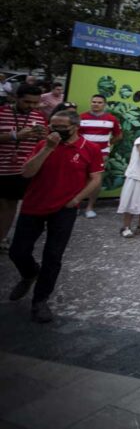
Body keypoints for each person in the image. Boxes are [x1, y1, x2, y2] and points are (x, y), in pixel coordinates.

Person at [8, 110, 103, 322]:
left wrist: (77, 199)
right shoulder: (43, 145)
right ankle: (30, 273)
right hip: (34, 205)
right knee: (18, 251)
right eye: (53, 126)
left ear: (75, 127)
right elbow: (27, 172)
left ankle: (40, 300)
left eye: (61, 127)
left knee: (53, 255)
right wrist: (48, 149)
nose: (56, 131)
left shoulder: (90, 149)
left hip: (64, 208)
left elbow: (95, 179)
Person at [0, 84, 48, 250]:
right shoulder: (2, 112)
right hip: (2, 167)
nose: (32, 106)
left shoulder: (39, 116)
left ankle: (2, 238)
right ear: (16, 98)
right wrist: (14, 136)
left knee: (10, 205)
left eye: (35, 103)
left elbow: (42, 142)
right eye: (27, 102)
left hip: (20, 169)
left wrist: (42, 137)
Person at [79, 94, 123, 219]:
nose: (96, 104)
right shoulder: (81, 117)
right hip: (82, 153)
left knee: (96, 180)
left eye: (99, 102)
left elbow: (118, 136)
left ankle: (90, 207)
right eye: (93, 102)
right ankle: (75, 204)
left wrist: (107, 146)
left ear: (104, 104)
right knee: (78, 178)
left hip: (101, 153)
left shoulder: (111, 119)